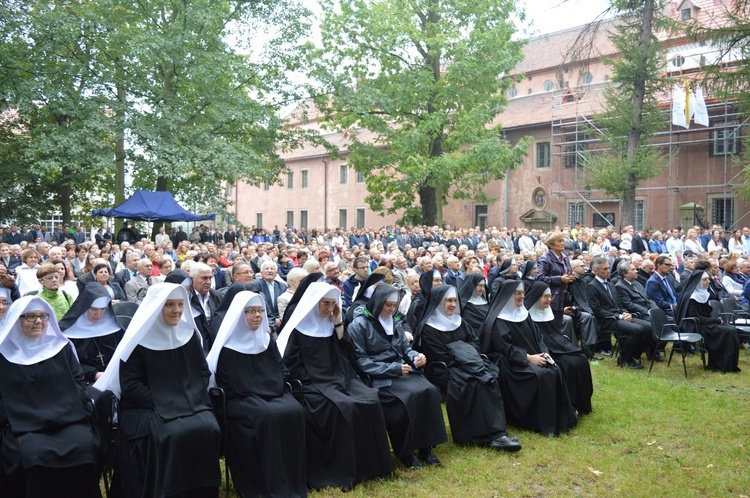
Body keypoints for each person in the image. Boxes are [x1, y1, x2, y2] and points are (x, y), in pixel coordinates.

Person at [93, 283, 221, 498]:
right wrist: (168, 400)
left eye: (180, 304)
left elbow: (202, 372)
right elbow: (131, 386)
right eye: (169, 305)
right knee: (171, 434)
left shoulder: (188, 334)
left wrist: (189, 396)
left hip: (189, 402)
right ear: (156, 307)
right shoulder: (139, 341)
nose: (177, 310)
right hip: (147, 407)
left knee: (209, 427)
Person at [277, 282, 393, 491]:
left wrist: (338, 323)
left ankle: (373, 467)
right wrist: (322, 380)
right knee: (343, 408)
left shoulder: (331, 324)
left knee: (370, 400)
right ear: (313, 303)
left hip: (340, 378)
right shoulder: (298, 328)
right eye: (325, 304)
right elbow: (291, 367)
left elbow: (348, 353)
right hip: (311, 384)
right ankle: (344, 473)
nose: (329, 309)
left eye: (333, 304)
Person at [207, 291, 306, 497]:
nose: (257, 316)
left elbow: (281, 370)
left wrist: (272, 388)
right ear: (238, 315)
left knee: (295, 410)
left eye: (260, 311)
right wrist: (261, 391)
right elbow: (226, 383)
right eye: (250, 311)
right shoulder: (227, 345)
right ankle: (266, 484)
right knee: (267, 417)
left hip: (272, 394)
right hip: (239, 399)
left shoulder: (265, 340)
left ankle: (292, 482)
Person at [0, 296, 101, 497]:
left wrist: (84, 413)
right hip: (25, 428)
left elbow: (78, 383)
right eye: (30, 317)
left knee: (85, 447)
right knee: (31, 457)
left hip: (68, 421)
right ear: (16, 320)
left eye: (43, 316)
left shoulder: (61, 348)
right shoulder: (4, 354)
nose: (38, 321)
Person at [348, 285, 448, 469]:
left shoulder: (394, 322)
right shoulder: (359, 325)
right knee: (407, 398)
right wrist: (393, 368)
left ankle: (426, 448)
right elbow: (360, 362)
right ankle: (406, 452)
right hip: (379, 378)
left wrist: (415, 358)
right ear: (378, 303)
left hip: (401, 372)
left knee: (430, 391)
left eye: (395, 305)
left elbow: (405, 349)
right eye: (388, 305)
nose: (392, 309)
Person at [414, 284, 521, 451]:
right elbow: (441, 356)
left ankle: (497, 431)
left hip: (469, 362)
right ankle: (481, 435)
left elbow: (474, 341)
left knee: (489, 378)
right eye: (448, 301)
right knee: (473, 384)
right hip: (445, 369)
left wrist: (459, 349)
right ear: (438, 303)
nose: (452, 305)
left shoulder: (459, 321)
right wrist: (462, 350)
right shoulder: (429, 328)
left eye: (454, 301)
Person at [479, 280, 577, 436]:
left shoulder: (523, 313)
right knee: (540, 375)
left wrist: (544, 353)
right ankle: (537, 420)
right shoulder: (498, 320)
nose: (522, 296)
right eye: (517, 293)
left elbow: (539, 338)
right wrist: (529, 358)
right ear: (508, 296)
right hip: (510, 363)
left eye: (523, 293)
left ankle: (560, 417)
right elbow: (505, 348)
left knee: (554, 369)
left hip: (532, 356)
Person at [524, 282, 593, 417]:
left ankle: (582, 403)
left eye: (550, 296)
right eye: (545, 296)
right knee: (568, 365)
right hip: (542, 350)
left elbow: (556, 335)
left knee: (581, 359)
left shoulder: (548, 312)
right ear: (536, 297)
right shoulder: (527, 315)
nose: (549, 300)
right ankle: (569, 405)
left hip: (558, 346)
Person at [59, 283, 125, 384]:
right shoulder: (69, 333)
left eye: (102, 309)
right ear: (84, 307)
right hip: (84, 380)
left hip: (116, 376)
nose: (98, 314)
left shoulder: (115, 329)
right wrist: (94, 374)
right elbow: (67, 363)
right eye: (93, 309)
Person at [675, 271, 740, 372]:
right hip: (695, 325)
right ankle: (720, 365)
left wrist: (714, 320)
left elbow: (706, 314)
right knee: (727, 332)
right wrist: (715, 320)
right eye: (705, 280)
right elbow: (694, 317)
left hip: (706, 323)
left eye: (708, 279)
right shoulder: (692, 297)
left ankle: (729, 365)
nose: (708, 282)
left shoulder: (704, 294)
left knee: (731, 330)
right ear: (697, 283)